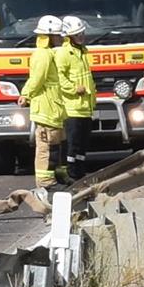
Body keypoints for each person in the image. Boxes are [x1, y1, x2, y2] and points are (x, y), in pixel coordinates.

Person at [18, 15, 67, 191]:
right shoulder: (43, 55)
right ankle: (45, 182)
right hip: (46, 108)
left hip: (52, 108)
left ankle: (57, 176)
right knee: (46, 148)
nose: (61, 38)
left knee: (56, 145)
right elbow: (37, 79)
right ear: (49, 36)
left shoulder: (49, 54)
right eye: (58, 35)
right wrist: (26, 94)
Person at [55, 16, 96, 180]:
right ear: (68, 36)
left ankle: (79, 172)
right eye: (77, 34)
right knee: (72, 145)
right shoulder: (64, 53)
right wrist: (74, 89)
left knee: (82, 145)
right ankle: (71, 173)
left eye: (82, 33)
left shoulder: (82, 52)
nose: (81, 36)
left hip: (85, 107)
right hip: (72, 108)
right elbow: (59, 77)